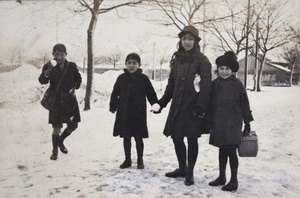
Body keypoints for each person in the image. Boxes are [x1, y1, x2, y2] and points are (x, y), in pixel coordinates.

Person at [151, 25, 212, 186]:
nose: (186, 42)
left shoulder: (202, 60)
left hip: (193, 107)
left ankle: (190, 172)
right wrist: (162, 103)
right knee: (177, 137)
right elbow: (171, 84)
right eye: (184, 39)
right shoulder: (177, 59)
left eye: (190, 39)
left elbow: (206, 86)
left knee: (192, 139)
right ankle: (182, 168)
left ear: (196, 41)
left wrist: (200, 106)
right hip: (177, 106)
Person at [208, 51, 254, 191]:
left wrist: (247, 123)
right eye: (221, 68)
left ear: (232, 70)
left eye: (227, 69)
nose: (224, 71)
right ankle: (222, 176)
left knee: (231, 150)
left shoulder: (237, 84)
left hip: (233, 123)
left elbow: (245, 104)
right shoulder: (214, 83)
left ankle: (234, 180)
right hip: (219, 122)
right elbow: (209, 102)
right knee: (222, 149)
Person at [109, 53, 158, 169]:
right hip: (124, 112)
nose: (131, 65)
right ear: (125, 64)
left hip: (139, 113)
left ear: (139, 65)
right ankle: (127, 160)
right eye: (129, 63)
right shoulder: (121, 78)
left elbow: (151, 93)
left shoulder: (144, 78)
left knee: (138, 137)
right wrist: (113, 105)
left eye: (134, 63)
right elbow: (115, 93)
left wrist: (155, 105)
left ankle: (140, 160)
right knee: (126, 137)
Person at [38, 43, 82, 161]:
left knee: (73, 125)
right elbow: (42, 81)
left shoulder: (72, 66)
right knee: (56, 127)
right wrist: (47, 72)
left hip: (69, 100)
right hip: (56, 101)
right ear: (53, 54)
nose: (59, 57)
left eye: (62, 54)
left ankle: (61, 141)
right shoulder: (48, 66)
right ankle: (54, 152)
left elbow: (78, 79)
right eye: (57, 54)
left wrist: (75, 85)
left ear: (66, 54)